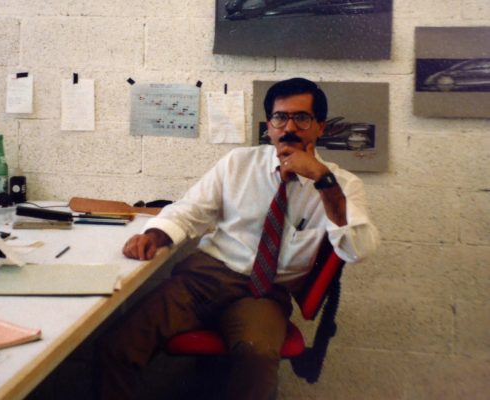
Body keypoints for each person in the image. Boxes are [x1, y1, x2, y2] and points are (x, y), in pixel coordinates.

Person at [97, 77, 380, 399]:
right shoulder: (238, 163)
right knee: (117, 346)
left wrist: (322, 180)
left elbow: (358, 250)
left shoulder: (343, 184)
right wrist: (156, 233)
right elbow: (190, 210)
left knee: (257, 354)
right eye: (280, 117)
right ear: (269, 126)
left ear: (320, 127)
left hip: (263, 293)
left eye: (302, 118)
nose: (289, 127)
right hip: (203, 279)